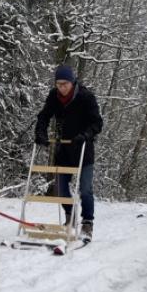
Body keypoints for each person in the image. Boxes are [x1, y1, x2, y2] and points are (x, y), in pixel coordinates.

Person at [34, 65, 103, 240]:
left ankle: (87, 222)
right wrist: (40, 133)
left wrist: (86, 134)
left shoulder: (86, 97)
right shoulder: (54, 96)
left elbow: (97, 123)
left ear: (72, 82)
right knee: (61, 188)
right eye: (58, 84)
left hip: (83, 149)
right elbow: (44, 116)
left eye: (65, 84)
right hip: (63, 149)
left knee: (85, 189)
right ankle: (70, 215)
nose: (61, 87)